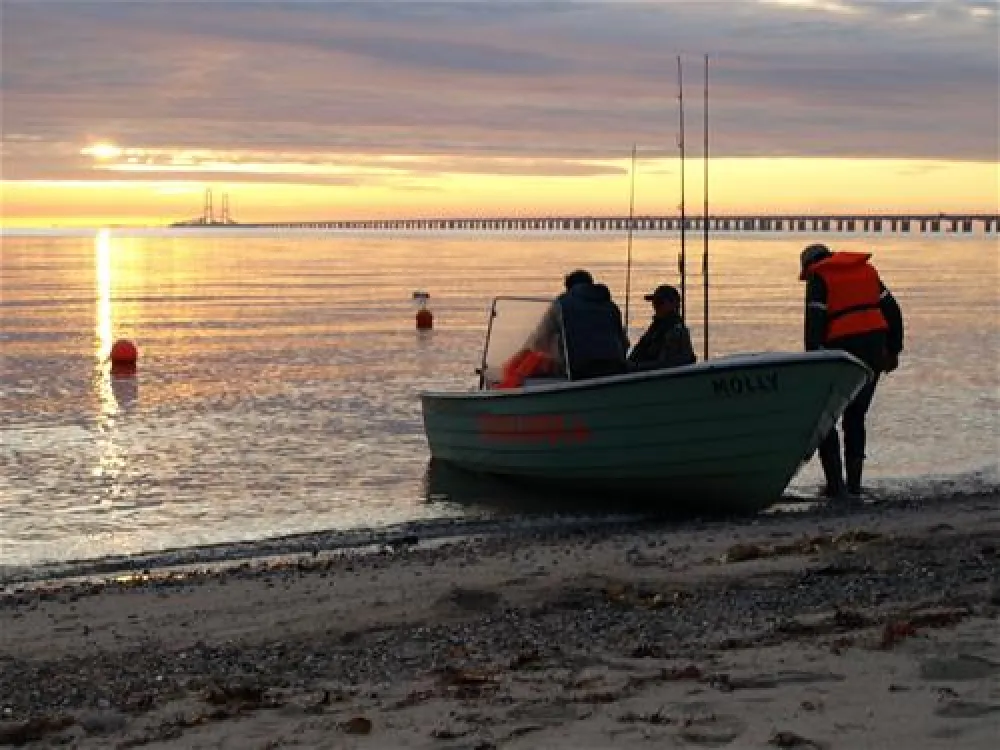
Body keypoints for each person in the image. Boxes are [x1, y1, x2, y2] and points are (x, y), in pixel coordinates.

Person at [799, 243, 904, 498]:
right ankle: (855, 485)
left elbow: (814, 327)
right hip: (874, 350)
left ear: (809, 265)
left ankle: (836, 486)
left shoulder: (818, 277)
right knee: (856, 417)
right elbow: (893, 311)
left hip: (842, 351)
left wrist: (815, 363)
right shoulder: (867, 271)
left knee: (824, 418)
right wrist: (893, 350)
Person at [527, 269, 628, 380]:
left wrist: (525, 352)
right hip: (615, 368)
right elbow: (624, 343)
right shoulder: (611, 306)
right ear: (591, 284)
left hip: (579, 371)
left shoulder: (561, 305)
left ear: (568, 288)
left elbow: (540, 338)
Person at [627, 284, 696, 371]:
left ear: (673, 304)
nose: (655, 306)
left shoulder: (676, 330)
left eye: (660, 303)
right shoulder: (655, 328)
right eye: (654, 302)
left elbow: (666, 364)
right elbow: (637, 352)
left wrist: (635, 367)